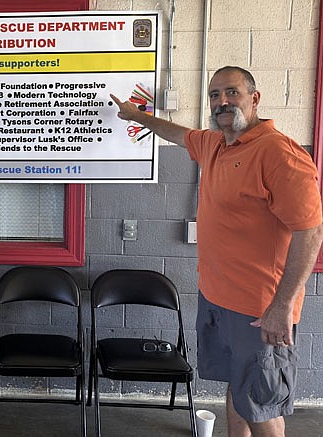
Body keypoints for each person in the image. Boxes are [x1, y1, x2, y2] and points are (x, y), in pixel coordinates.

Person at [111, 66, 323, 437]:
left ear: (254, 99)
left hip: (260, 309)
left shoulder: (278, 154)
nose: (222, 102)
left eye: (232, 93)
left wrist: (281, 306)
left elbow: (311, 231)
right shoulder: (214, 143)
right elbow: (176, 134)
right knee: (237, 388)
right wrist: (135, 116)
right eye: (214, 95)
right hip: (218, 299)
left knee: (262, 402)